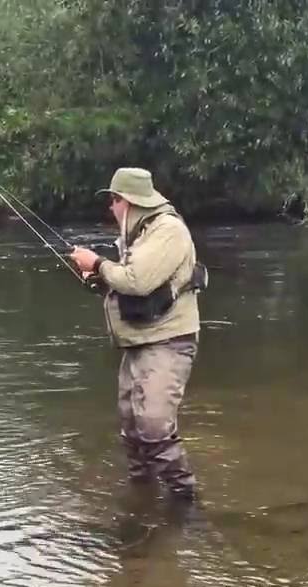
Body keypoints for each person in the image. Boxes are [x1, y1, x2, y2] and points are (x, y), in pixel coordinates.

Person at [69, 167, 204, 502]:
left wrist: (98, 263)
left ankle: (184, 500)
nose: (110, 208)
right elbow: (135, 286)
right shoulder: (142, 234)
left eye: (114, 200)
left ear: (128, 202)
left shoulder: (168, 231)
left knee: (153, 423)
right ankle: (143, 499)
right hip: (140, 340)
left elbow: (137, 280)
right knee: (132, 427)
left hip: (169, 341)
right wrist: (99, 279)